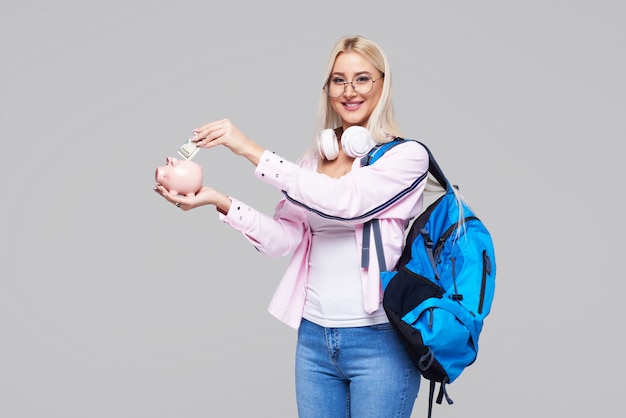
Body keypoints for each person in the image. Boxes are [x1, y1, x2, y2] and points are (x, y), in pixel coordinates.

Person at [154, 35, 429, 418]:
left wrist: (247, 147)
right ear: (328, 89)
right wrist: (221, 201)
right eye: (338, 80)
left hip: (379, 342)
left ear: (383, 85)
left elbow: (345, 204)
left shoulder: (406, 158)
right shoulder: (312, 162)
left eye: (362, 78)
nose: (349, 91)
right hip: (315, 339)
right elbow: (284, 239)